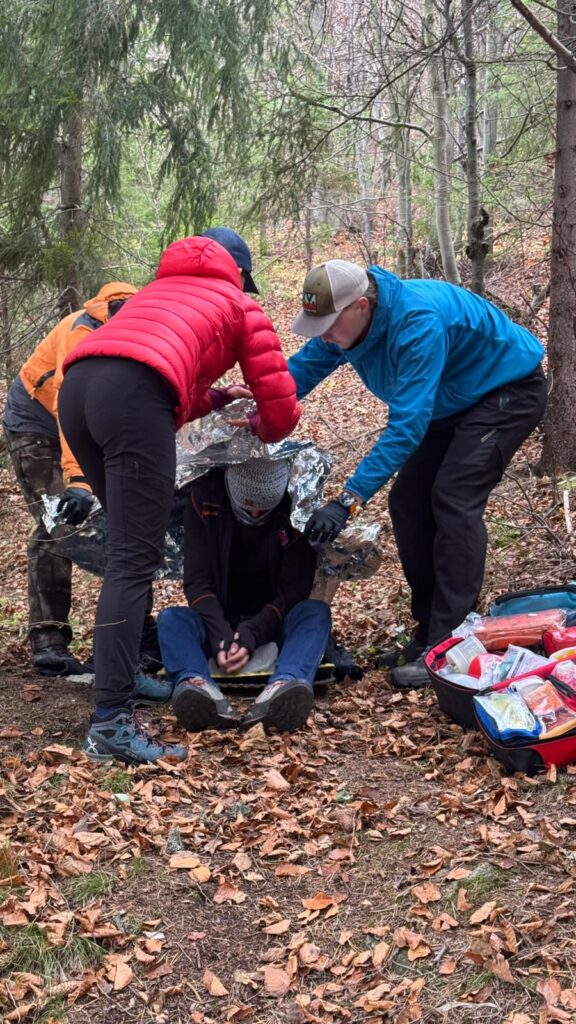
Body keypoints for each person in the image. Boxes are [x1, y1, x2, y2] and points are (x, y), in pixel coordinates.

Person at [58, 231, 300, 765]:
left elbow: (166, 382)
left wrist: (218, 397)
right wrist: (257, 421)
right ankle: (110, 723)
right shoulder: (238, 304)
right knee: (132, 561)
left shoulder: (152, 295)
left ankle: (121, 686)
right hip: (132, 397)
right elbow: (281, 411)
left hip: (78, 389)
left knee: (127, 552)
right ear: (236, 273)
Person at [288, 259, 547, 690]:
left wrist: (347, 499)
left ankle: (448, 645)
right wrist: (259, 405)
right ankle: (428, 630)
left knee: (452, 497)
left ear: (363, 305)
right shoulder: (346, 327)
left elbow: (407, 426)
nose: (327, 335)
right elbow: (301, 370)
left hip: (506, 393)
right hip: (451, 403)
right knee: (408, 501)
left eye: (332, 324)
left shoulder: (416, 322)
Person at [2, 283, 138, 676]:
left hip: (90, 427)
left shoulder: (135, 335)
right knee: (57, 522)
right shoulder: (81, 335)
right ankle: (49, 640)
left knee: (123, 521)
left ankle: (124, 636)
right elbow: (69, 410)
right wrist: (79, 482)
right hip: (36, 424)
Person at [157, 458, 332, 734]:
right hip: (218, 619)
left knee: (315, 613)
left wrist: (253, 632)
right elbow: (197, 581)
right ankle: (197, 687)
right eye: (248, 507)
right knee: (171, 619)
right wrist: (221, 635)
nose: (254, 513)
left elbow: (294, 589)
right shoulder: (204, 498)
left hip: (273, 623)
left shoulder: (295, 508)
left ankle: (284, 686)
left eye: (262, 510)